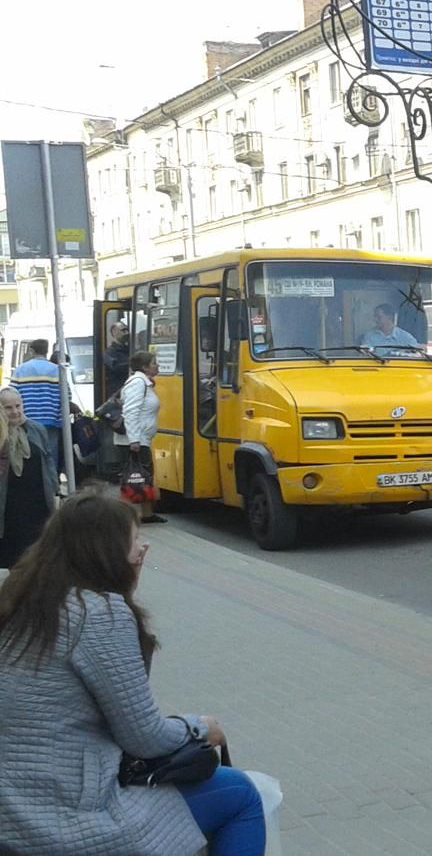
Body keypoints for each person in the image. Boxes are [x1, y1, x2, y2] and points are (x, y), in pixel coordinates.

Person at [0, 490, 265, 855]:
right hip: (63, 822)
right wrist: (201, 727)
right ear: (105, 552)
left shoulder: (23, 601)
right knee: (241, 794)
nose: (143, 549)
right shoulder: (98, 614)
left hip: (12, 813)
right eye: (135, 539)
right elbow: (144, 737)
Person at [0, 388, 58, 570]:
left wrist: (54, 487)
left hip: (37, 502)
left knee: (38, 553)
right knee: (13, 555)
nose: (15, 411)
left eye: (18, 406)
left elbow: (48, 458)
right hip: (8, 505)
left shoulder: (36, 429)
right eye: (8, 408)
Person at [116, 351, 164, 525]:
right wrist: (134, 440)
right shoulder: (138, 383)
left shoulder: (145, 383)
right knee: (133, 477)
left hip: (142, 438)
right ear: (144, 367)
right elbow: (130, 411)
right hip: (136, 440)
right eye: (154, 363)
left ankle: (147, 514)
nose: (157, 365)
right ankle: (126, 515)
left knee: (144, 476)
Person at [10, 338, 63, 474]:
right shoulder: (57, 370)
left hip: (28, 420)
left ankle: (34, 480)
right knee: (50, 454)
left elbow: (12, 394)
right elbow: (66, 396)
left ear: (32, 351)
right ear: (47, 351)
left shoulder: (20, 370)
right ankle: (51, 482)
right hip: (52, 420)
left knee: (29, 453)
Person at [105, 320, 132, 392]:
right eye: (123, 330)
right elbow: (116, 367)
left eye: (127, 330)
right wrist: (134, 363)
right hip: (118, 391)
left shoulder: (130, 349)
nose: (127, 333)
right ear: (114, 332)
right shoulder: (110, 352)